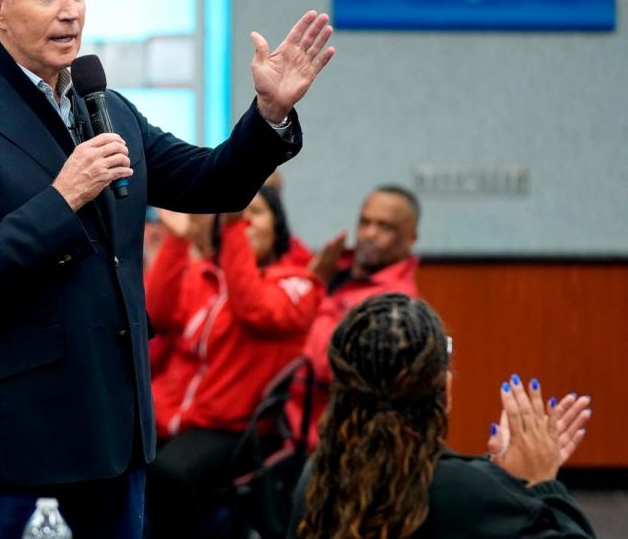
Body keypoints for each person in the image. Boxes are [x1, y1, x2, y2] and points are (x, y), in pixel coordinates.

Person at [0, 0, 335, 539]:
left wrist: (268, 115)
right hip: (22, 440)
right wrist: (63, 198)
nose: (71, 12)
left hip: (117, 427)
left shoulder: (100, 105)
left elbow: (210, 182)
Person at [292, 293, 595, 539]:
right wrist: (540, 485)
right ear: (446, 391)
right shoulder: (473, 497)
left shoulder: (317, 480)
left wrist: (499, 482)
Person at [144, 187, 323, 538]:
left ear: (278, 226)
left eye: (254, 214)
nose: (244, 222)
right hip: (173, 416)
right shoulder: (207, 276)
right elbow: (155, 316)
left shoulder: (297, 284)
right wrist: (177, 243)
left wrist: (231, 231)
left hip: (233, 429)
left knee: (168, 475)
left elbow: (253, 308)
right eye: (237, 214)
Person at [287, 185, 421, 450]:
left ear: (410, 238)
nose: (370, 234)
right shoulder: (335, 266)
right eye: (365, 222)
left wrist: (313, 288)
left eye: (385, 227)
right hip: (285, 424)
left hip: (327, 444)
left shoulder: (397, 304)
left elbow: (328, 362)